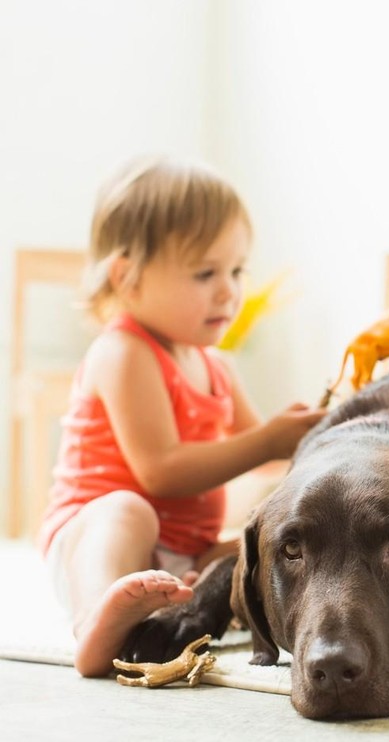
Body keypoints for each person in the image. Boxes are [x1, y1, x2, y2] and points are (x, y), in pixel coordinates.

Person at [38, 156, 326, 677]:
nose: (228, 291)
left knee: (254, 546)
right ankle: (95, 621)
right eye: (204, 273)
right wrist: (267, 440)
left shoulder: (217, 367)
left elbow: (268, 466)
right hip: (96, 543)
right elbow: (161, 471)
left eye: (236, 271)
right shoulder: (125, 351)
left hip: (178, 554)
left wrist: (309, 443)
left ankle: (161, 610)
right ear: (127, 278)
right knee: (129, 509)